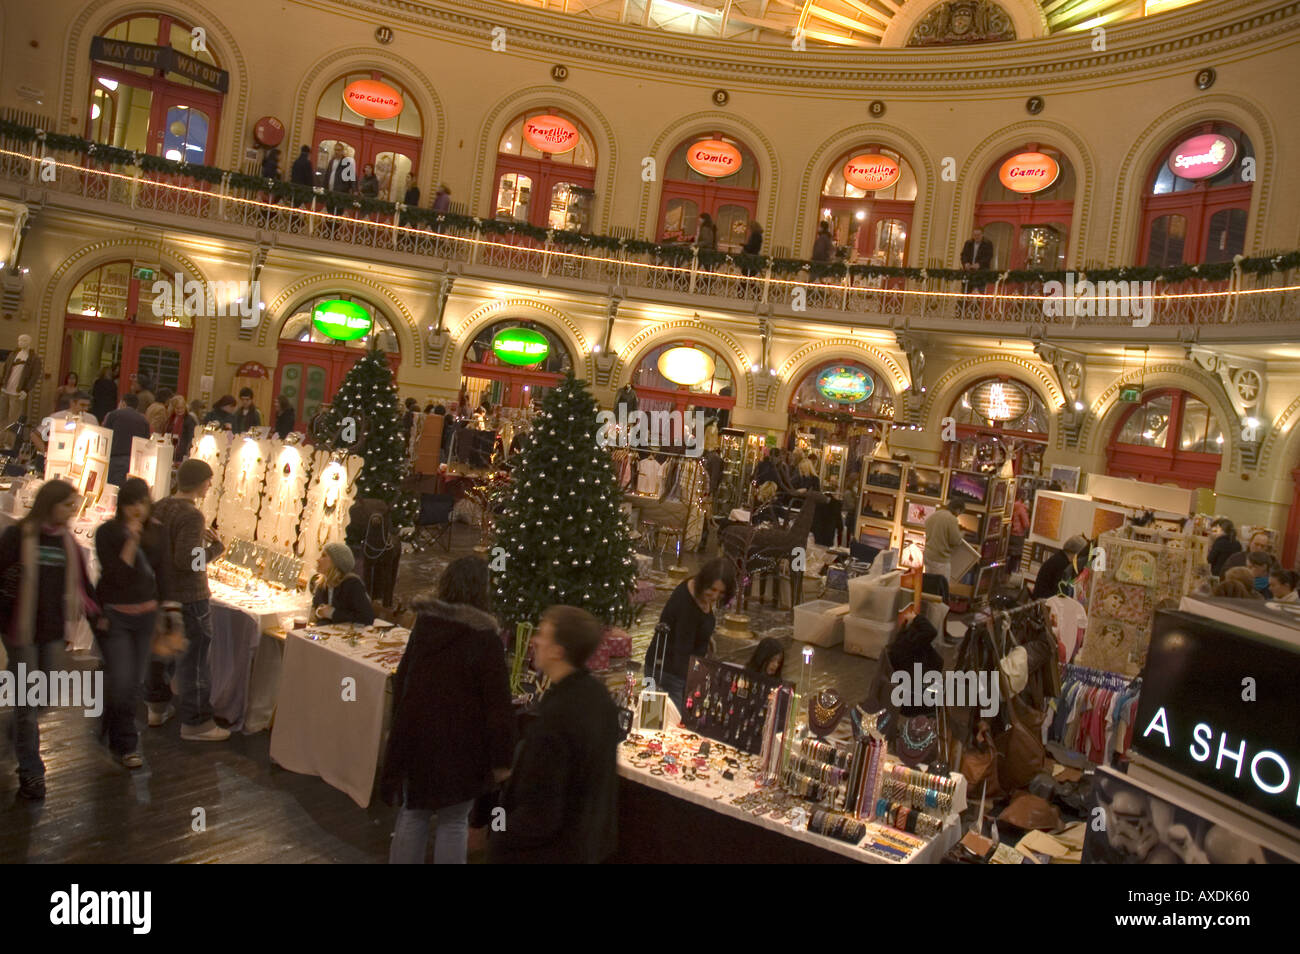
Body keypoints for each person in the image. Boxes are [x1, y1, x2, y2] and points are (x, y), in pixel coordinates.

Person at [381, 556, 514, 863]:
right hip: (463, 749)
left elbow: (403, 679)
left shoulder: (425, 626)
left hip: (418, 740)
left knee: (412, 813)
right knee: (453, 822)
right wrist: (502, 759)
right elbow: (497, 705)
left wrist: (398, 729)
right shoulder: (485, 638)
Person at [490, 605, 619, 864]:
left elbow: (542, 812)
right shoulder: (600, 697)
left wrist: (498, 829)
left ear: (558, 651)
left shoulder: (557, 716)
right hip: (587, 847)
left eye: (542, 635)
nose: (535, 640)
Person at [0, 480, 98, 799]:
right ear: (50, 504)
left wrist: (101, 618)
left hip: (53, 632)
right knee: (28, 703)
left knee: (44, 700)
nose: (73, 511)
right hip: (20, 630)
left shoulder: (67, 542)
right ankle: (32, 772)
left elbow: (84, 586)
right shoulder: (19, 535)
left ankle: (10, 734)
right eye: (68, 505)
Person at [148, 459, 228, 740]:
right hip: (189, 597)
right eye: (208, 480)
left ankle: (156, 707)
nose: (210, 485)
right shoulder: (192, 516)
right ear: (200, 482)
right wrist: (216, 548)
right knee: (194, 660)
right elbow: (189, 561)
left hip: (162, 593)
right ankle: (196, 723)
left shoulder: (160, 506)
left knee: (161, 653)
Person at [94, 477, 170, 769]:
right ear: (122, 505)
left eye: (143, 502)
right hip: (116, 615)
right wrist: (132, 539)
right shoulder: (107, 533)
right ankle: (126, 744)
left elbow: (163, 574)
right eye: (132, 503)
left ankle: (111, 724)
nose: (138, 509)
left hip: (147, 616)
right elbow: (116, 576)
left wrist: (167, 611)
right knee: (123, 680)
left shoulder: (158, 533)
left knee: (132, 682)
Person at [644, 559, 735, 709]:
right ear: (704, 582)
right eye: (712, 590)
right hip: (666, 674)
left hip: (677, 673)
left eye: (721, 592)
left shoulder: (698, 592)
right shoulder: (686, 607)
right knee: (661, 722)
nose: (715, 596)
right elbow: (681, 651)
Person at [310, 542, 375, 625]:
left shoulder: (352, 584)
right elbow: (316, 607)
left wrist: (333, 613)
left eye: (324, 556)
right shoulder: (322, 583)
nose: (318, 560)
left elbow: (367, 618)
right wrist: (318, 613)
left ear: (336, 561)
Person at [923, 499, 971, 601]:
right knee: (941, 589)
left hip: (928, 556)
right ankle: (938, 612)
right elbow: (955, 540)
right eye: (960, 513)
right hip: (940, 559)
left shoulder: (935, 514)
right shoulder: (952, 519)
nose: (959, 515)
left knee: (929, 587)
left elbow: (926, 526)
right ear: (958, 510)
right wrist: (962, 534)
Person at [103, 393, 151, 486]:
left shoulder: (114, 415)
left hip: (115, 459)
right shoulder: (144, 420)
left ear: (123, 403)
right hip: (134, 462)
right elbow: (146, 442)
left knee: (113, 489)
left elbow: (105, 435)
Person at [1033, 534, 1091, 599]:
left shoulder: (1059, 557)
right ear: (1076, 554)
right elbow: (1059, 592)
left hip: (1041, 599)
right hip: (1044, 602)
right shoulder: (1062, 564)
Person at [960, 227, 994, 294]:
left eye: (978, 235)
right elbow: (963, 255)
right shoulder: (968, 243)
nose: (976, 237)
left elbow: (988, 256)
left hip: (981, 273)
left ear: (982, 235)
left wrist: (979, 264)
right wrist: (965, 263)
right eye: (975, 235)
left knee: (979, 294)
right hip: (968, 272)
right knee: (964, 293)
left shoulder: (988, 244)